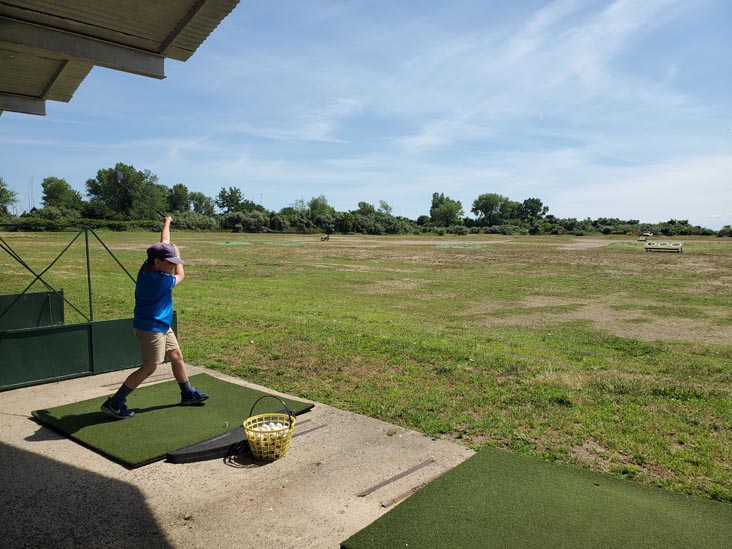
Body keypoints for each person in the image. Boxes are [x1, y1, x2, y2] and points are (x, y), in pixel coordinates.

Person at [101, 216, 208, 419]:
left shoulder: (149, 264)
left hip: (160, 324)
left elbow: (164, 242)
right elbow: (182, 276)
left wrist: (167, 222)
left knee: (176, 355)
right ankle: (115, 402)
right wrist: (180, 257)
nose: (172, 265)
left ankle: (187, 393)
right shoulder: (158, 280)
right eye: (170, 263)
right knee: (150, 367)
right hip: (151, 328)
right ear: (158, 262)